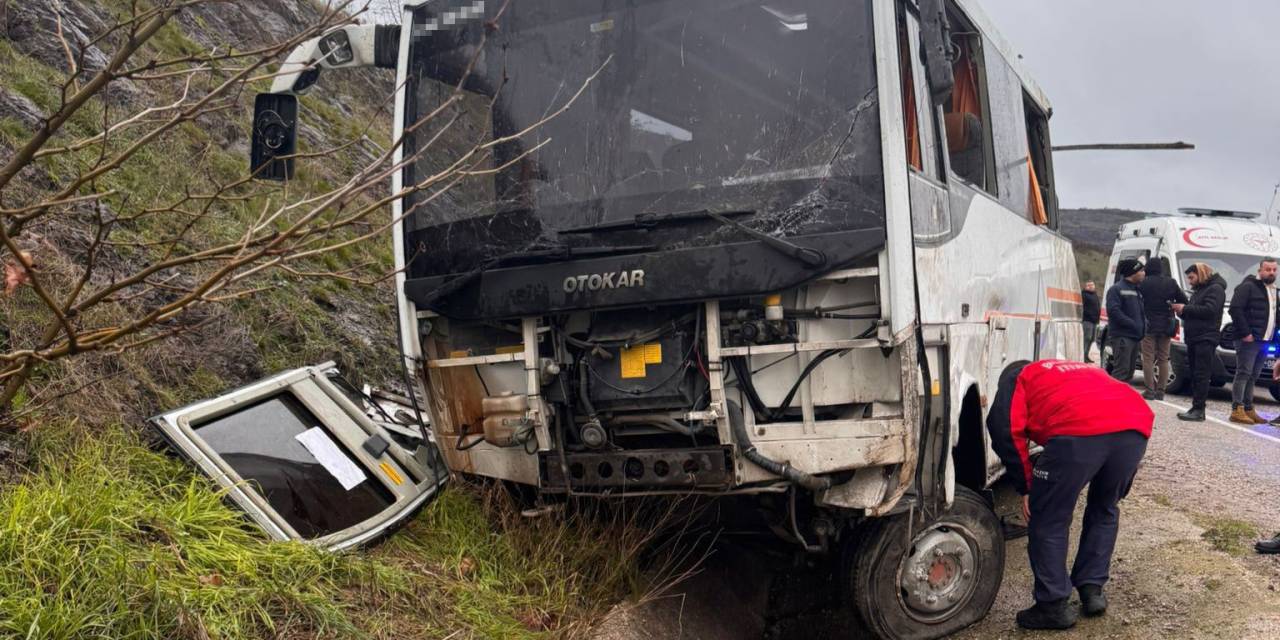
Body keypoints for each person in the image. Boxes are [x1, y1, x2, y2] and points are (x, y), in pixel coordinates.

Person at [987, 360, 1154, 630]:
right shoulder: (1077, 369)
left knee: (1049, 518)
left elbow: (1004, 430)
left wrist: (1026, 486)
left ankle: (1052, 606)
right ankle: (1092, 589)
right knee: (1105, 507)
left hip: (1078, 431)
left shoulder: (1018, 378)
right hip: (1134, 426)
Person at [1226, 257, 1280, 425]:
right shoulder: (1248, 287)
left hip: (1265, 340)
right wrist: (1245, 333)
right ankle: (1237, 409)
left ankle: (1249, 408)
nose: (1271, 272)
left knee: (1253, 375)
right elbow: (1235, 309)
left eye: (1274, 269)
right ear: (1260, 270)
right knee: (1243, 373)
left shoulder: (1273, 290)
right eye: (1268, 269)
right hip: (1249, 340)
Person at [1172, 263, 1226, 421]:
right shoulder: (1200, 290)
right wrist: (1181, 311)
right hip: (1195, 337)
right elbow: (1195, 312)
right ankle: (1196, 407)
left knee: (1202, 374)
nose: (1190, 281)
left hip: (1205, 338)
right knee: (1196, 374)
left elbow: (1210, 311)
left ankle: (1199, 409)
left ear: (1200, 274)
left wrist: (1186, 308)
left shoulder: (1215, 289)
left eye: (1191, 277)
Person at [1137, 260, 1187, 399]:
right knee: (1164, 358)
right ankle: (1161, 391)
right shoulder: (1171, 282)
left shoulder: (1143, 283)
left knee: (1148, 357)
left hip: (1148, 325)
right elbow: (1183, 300)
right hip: (1166, 324)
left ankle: (1149, 390)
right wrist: (1171, 305)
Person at [1105, 259, 1146, 382]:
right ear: (1132, 272)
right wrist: (1132, 324)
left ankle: (1122, 400)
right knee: (1121, 372)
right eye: (1141, 270)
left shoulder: (1137, 289)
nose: (1144, 273)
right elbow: (1113, 311)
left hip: (1134, 337)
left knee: (1128, 373)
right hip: (1123, 337)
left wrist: (1145, 324)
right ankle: (1111, 400)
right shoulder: (1116, 289)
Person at [1081, 281, 1101, 363]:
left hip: (1094, 321)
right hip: (1087, 320)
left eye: (1092, 284)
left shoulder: (1095, 295)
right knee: (1087, 338)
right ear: (1085, 287)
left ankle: (1086, 356)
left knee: (1091, 340)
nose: (1091, 286)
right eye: (1088, 285)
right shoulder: (1084, 295)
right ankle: (1083, 356)